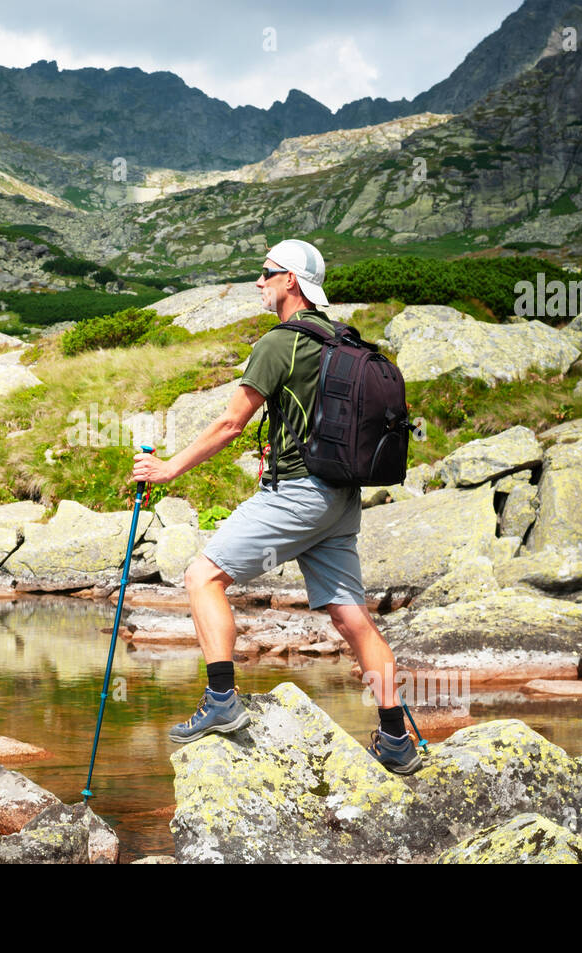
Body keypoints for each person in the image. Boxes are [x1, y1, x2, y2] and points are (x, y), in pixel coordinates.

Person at [129, 238, 422, 774]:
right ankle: (396, 737)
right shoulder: (345, 340)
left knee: (202, 577)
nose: (258, 282)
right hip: (342, 500)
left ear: (290, 279)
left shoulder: (280, 343)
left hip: (300, 495)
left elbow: (229, 423)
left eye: (265, 273)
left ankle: (221, 701)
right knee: (352, 618)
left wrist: (168, 469)